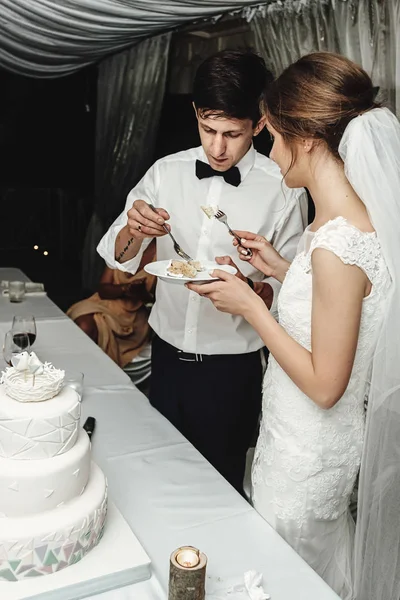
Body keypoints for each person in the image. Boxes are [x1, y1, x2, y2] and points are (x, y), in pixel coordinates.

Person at [188, 51, 400, 600]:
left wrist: (252, 307)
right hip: (299, 444)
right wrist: (280, 270)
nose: (271, 151)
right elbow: (340, 306)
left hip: (308, 459)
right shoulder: (345, 221)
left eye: (275, 137)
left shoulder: (335, 243)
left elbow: (327, 385)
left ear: (305, 139)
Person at [97, 50, 308, 494]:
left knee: (221, 490)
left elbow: (294, 289)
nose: (217, 147)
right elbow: (120, 256)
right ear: (195, 113)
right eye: (208, 129)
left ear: (259, 123)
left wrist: (249, 290)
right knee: (160, 478)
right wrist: (135, 229)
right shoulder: (165, 172)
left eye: (232, 134)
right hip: (167, 361)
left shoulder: (284, 188)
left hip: (234, 372)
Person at [68, 241, 156, 368]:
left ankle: (92, 374)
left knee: (87, 329)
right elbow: (103, 290)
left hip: (134, 315)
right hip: (102, 303)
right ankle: (76, 371)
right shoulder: (124, 242)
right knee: (84, 326)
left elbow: (156, 302)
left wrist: (140, 293)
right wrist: (125, 289)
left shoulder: (164, 255)